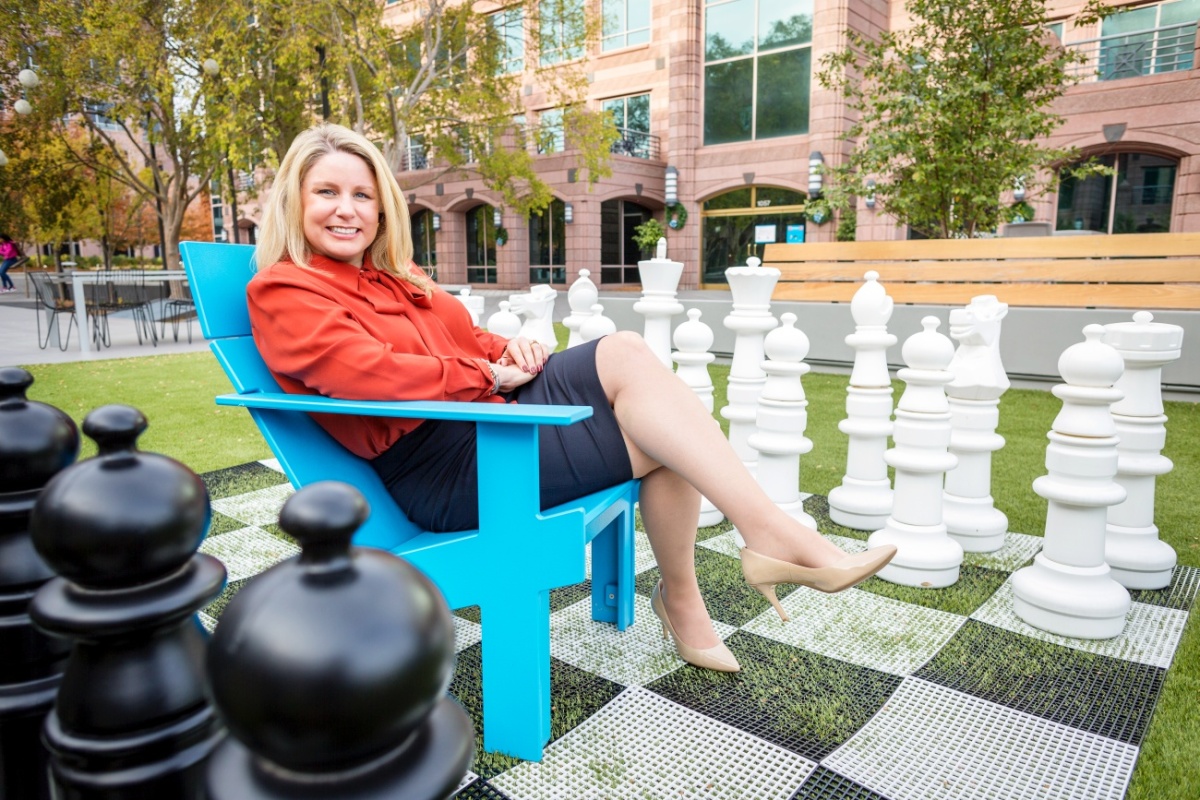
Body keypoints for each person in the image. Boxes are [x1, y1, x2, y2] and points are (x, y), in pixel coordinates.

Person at [248, 123, 896, 674]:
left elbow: (464, 337)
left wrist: (509, 354)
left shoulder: (396, 277)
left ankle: (753, 547)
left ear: (382, 208)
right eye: (327, 192)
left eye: (363, 195)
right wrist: (482, 377)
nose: (347, 209)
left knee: (625, 355)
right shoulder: (286, 291)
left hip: (488, 419)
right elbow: (361, 374)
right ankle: (739, 562)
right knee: (662, 438)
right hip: (445, 465)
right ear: (295, 203)